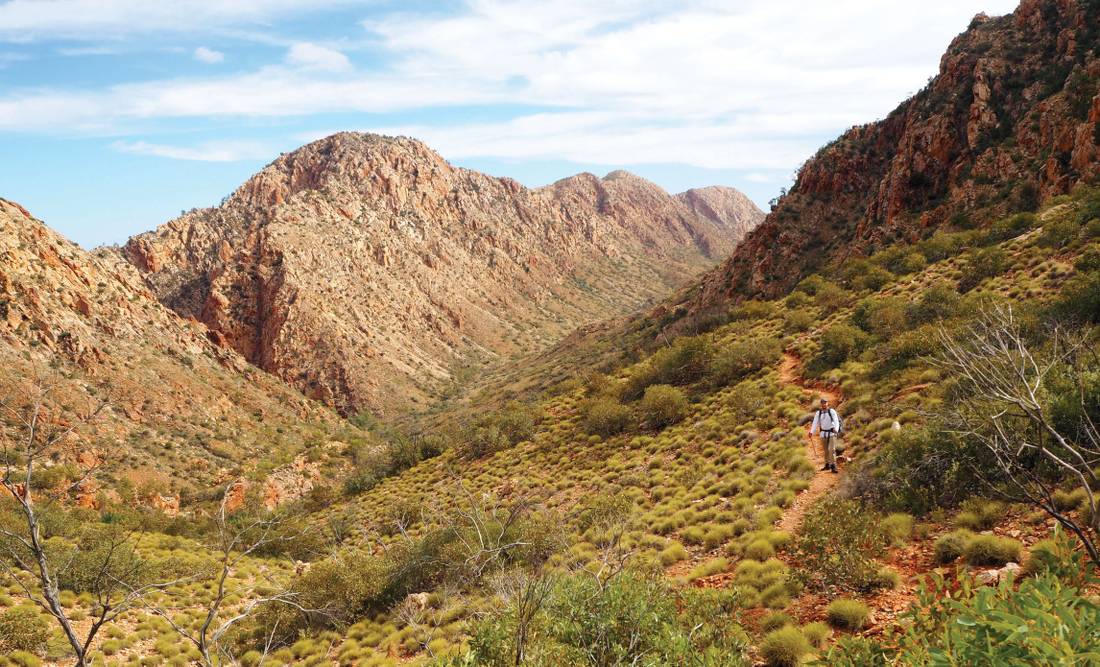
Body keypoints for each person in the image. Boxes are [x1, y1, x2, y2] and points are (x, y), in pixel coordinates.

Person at [808, 397, 841, 473]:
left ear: (827, 403)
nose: (824, 404)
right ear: (821, 404)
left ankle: (833, 466)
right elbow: (815, 423)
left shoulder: (831, 411)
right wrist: (811, 432)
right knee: (826, 450)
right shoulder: (818, 413)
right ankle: (827, 464)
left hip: (832, 433)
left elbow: (836, 421)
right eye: (822, 403)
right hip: (823, 433)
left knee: (831, 449)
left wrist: (836, 429)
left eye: (825, 403)